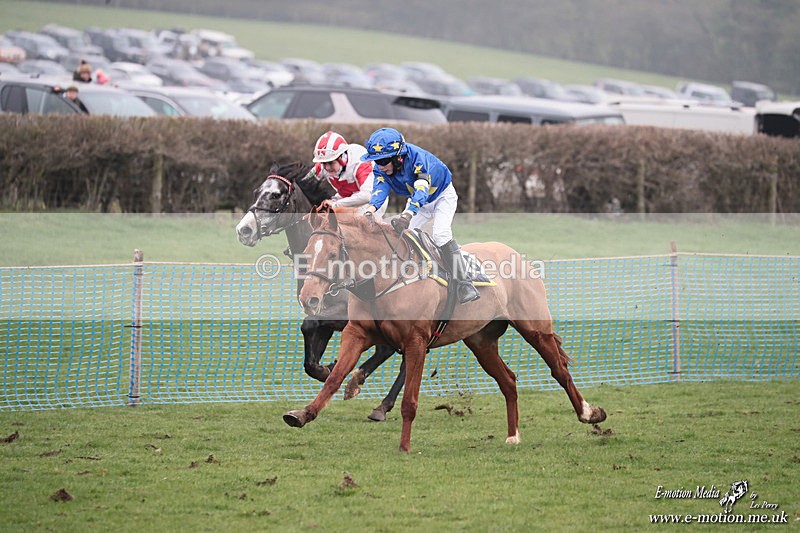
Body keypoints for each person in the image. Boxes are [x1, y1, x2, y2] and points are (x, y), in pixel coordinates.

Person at [360, 127, 480, 304]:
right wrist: (370, 209)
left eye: (384, 161)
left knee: (440, 235)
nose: (380, 166)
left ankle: (465, 283)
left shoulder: (418, 159)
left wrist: (408, 214)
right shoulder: (381, 168)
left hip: (441, 198)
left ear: (398, 157)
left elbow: (421, 190)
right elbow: (380, 188)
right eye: (376, 161)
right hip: (418, 202)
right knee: (401, 237)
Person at [305, 131, 386, 217]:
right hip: (346, 198)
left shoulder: (361, 164)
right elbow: (303, 181)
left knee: (357, 220)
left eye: (331, 163)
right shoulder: (322, 166)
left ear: (342, 158)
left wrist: (336, 204)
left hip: (372, 201)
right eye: (324, 163)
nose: (327, 168)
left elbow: (367, 196)